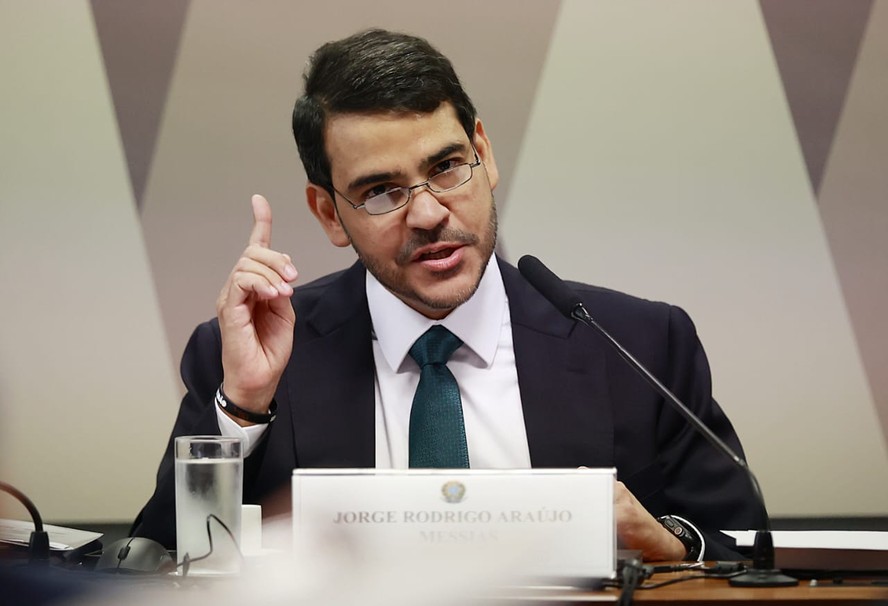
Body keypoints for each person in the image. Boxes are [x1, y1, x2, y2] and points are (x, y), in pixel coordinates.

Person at [132, 28, 764, 561]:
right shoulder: (255, 359)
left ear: (483, 153)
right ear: (328, 213)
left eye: (446, 168)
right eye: (381, 192)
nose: (429, 214)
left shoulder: (640, 343)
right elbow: (156, 561)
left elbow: (748, 550)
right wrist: (243, 409)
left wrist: (670, 542)